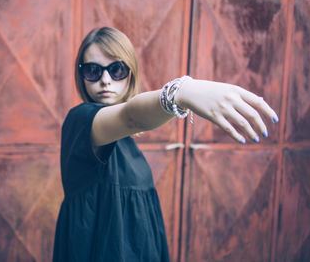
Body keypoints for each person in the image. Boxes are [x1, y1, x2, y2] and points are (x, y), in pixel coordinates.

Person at [52, 27, 278, 262]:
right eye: (93, 70)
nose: (105, 80)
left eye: (116, 69)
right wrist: (180, 91)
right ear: (82, 75)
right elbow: (130, 116)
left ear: (130, 72)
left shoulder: (124, 140)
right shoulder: (81, 121)